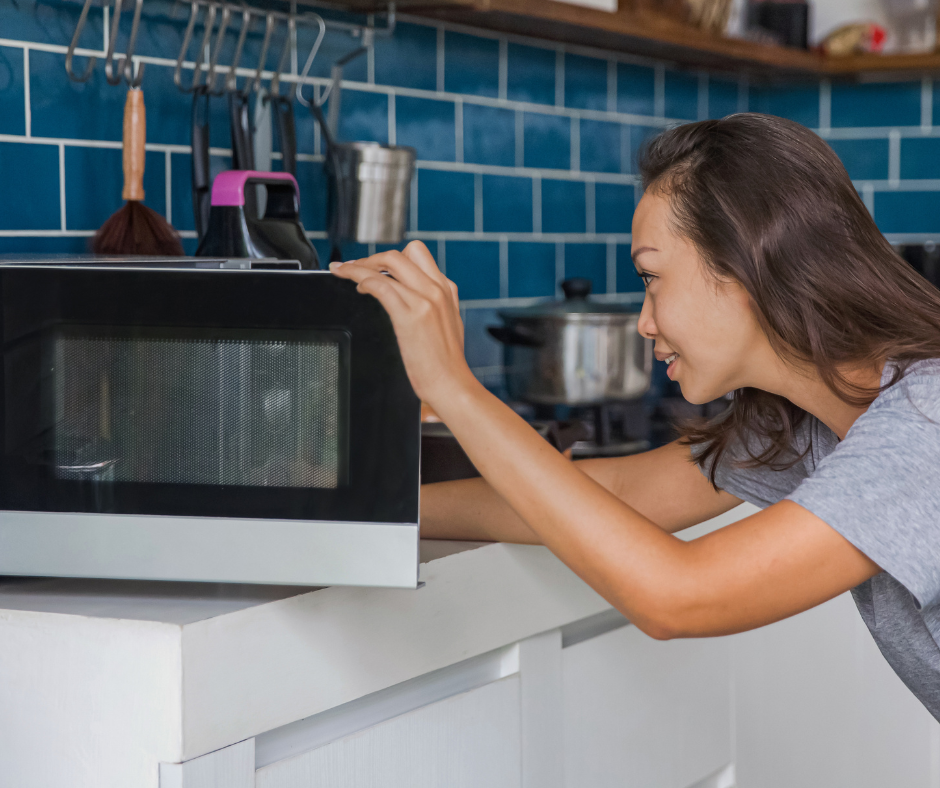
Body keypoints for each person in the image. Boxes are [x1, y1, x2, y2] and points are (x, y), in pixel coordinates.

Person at [330, 113, 940, 721]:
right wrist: (371, 504)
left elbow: (680, 596)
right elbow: (623, 491)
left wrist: (454, 386)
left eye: (651, 278)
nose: (645, 321)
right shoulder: (805, 419)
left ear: (743, 269)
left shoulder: (921, 420)